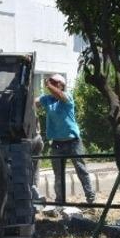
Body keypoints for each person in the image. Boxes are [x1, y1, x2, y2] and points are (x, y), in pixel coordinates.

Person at [37, 73, 95, 205]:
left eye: (53, 82)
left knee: (81, 170)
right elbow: (33, 102)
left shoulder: (67, 97)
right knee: (58, 175)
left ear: (61, 85)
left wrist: (48, 84)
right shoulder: (47, 99)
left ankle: (90, 199)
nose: (50, 83)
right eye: (50, 81)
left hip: (73, 142)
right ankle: (60, 202)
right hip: (57, 143)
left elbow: (59, 95)